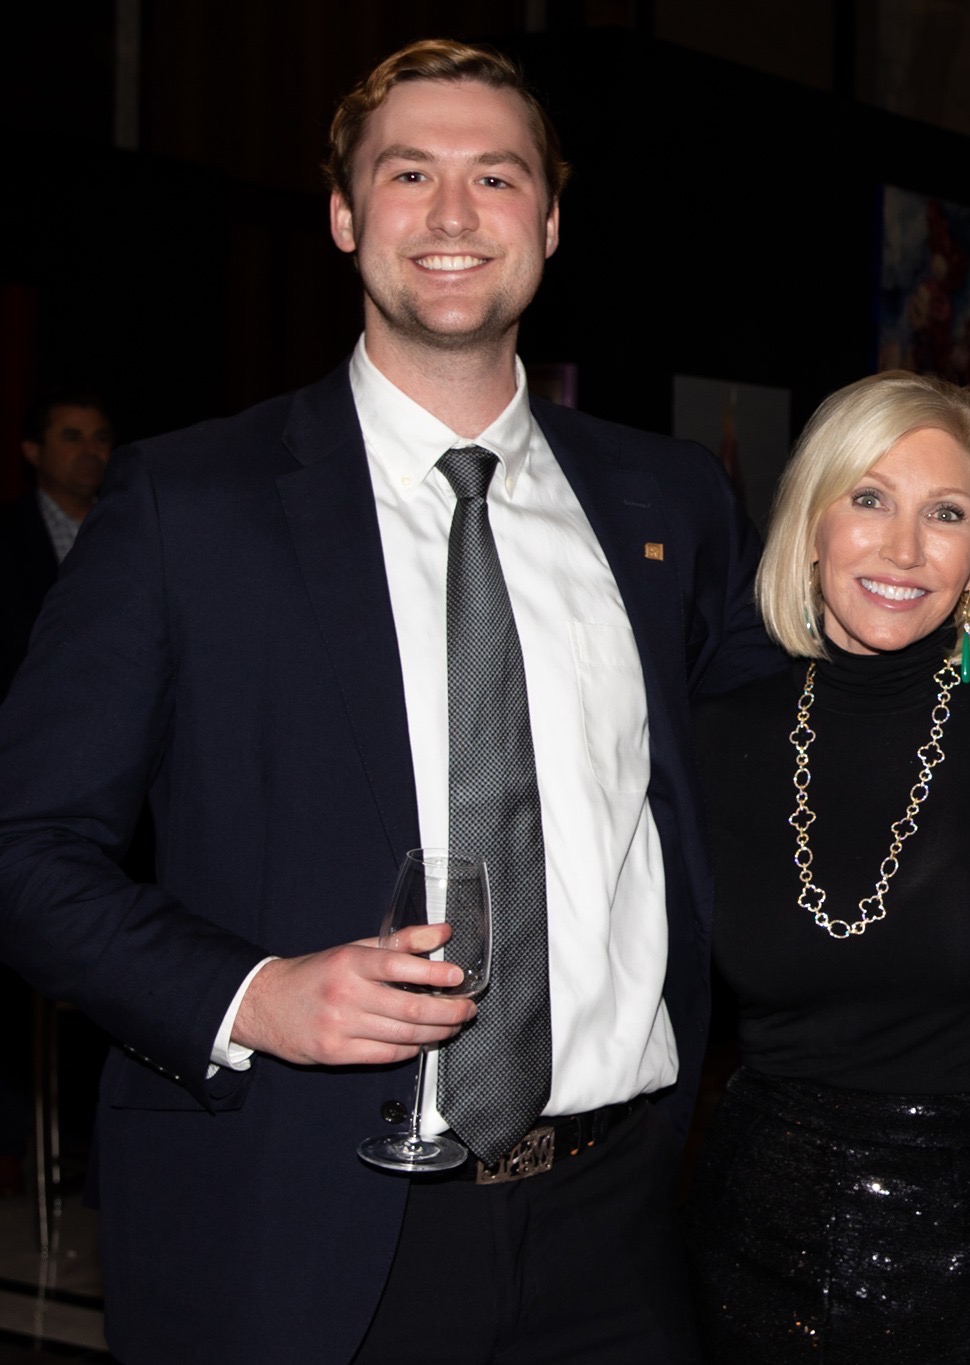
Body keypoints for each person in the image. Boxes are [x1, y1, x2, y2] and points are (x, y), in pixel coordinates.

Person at [0, 39, 781, 1365]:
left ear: (548, 218)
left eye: (497, 175)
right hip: (300, 1232)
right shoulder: (188, 505)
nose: (455, 214)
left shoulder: (668, 506)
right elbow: (24, 852)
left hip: (617, 1232)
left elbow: (777, 776)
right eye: (410, 173)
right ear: (346, 215)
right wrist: (252, 994)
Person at [686, 370, 970, 1362]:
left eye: (943, 513)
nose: (902, 548)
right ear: (810, 521)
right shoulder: (714, 739)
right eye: (868, 499)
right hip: (751, 1219)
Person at [0, 395, 113, 694]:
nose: (91, 451)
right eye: (72, 438)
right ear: (33, 451)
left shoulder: (132, 526)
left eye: (100, 438)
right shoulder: (8, 534)